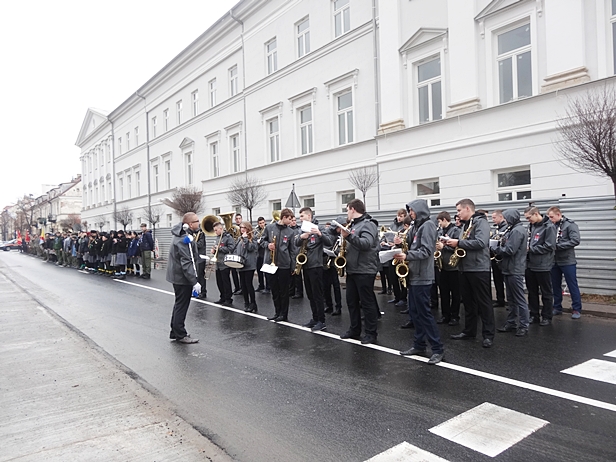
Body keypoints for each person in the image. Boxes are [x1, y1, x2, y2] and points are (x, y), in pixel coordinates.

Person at [396, 199, 444, 365]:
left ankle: (438, 349)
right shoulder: (416, 226)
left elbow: (426, 251)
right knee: (415, 313)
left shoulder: (428, 226)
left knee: (424, 313)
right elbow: (409, 244)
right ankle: (419, 344)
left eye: (412, 211)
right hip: (414, 275)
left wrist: (407, 256)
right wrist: (399, 243)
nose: (410, 213)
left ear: (420, 210)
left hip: (423, 276)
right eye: (409, 211)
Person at [447, 198, 495, 348]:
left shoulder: (481, 222)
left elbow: (481, 242)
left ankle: (488, 335)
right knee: (468, 303)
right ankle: (469, 331)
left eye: (459, 210)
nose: (458, 214)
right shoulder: (465, 225)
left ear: (468, 209)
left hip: (479, 268)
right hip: (465, 268)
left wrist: (458, 243)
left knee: (484, 303)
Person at [338, 199, 380, 345]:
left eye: (347, 210)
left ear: (353, 209)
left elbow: (366, 244)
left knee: (367, 303)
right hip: (353, 269)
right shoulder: (354, 225)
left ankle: (371, 333)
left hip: (364, 269)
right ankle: (354, 329)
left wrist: (348, 236)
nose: (347, 213)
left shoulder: (369, 224)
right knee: (351, 301)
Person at [296, 207, 333, 332]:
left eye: (302, 216)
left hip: (316, 265)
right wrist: (302, 237)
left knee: (317, 294)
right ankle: (314, 318)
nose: (300, 218)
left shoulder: (320, 227)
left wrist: (319, 234)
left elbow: (329, 242)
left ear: (308, 216)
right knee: (310, 294)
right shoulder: (301, 229)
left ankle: (321, 321)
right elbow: (295, 242)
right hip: (305, 265)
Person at [166, 212, 201, 344]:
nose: (199, 223)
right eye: (197, 221)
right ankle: (180, 334)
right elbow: (186, 262)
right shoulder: (183, 239)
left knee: (178, 304)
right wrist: (194, 281)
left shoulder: (180, 235)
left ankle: (175, 331)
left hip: (177, 276)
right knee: (182, 305)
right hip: (182, 278)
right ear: (190, 224)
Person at [494, 209, 530, 337]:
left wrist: (495, 248)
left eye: (506, 217)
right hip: (509, 268)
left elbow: (510, 250)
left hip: (514, 269)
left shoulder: (517, 231)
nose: (505, 220)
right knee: (511, 299)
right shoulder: (514, 229)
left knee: (519, 299)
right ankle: (511, 323)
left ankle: (524, 325)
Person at [260, 208, 296, 322]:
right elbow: (261, 241)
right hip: (271, 264)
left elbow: (292, 250)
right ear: (284, 217)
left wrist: (293, 266)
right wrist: (267, 245)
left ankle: (284, 314)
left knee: (284, 291)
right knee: (274, 289)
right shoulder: (269, 228)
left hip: (284, 264)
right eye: (289, 219)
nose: (291, 222)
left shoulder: (290, 232)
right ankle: (277, 312)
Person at [547, 206, 582, 319]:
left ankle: (576, 309)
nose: (550, 219)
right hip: (554, 260)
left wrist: (557, 247)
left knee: (572, 285)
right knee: (555, 285)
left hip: (567, 260)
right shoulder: (551, 226)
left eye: (552, 217)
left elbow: (575, 240)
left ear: (558, 214)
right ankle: (557, 307)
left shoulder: (570, 225)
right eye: (549, 217)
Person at [524, 206, 556, 325]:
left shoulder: (549, 227)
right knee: (532, 291)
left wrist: (530, 249)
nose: (528, 220)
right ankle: (534, 315)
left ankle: (547, 316)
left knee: (546, 292)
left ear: (536, 214)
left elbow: (549, 246)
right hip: (530, 264)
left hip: (543, 264)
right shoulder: (531, 226)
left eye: (529, 217)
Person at [435, 211, 461, 325]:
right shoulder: (440, 231)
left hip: (454, 267)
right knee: (444, 293)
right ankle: (445, 315)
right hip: (443, 267)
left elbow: (458, 248)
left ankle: (455, 316)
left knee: (455, 293)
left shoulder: (456, 231)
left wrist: (444, 247)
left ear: (445, 220)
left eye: (440, 221)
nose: (439, 224)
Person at [384, 209, 408, 307]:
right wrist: (388, 242)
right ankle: (397, 296)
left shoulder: (406, 226)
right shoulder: (393, 225)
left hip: (401, 255)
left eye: (401, 216)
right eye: (398, 216)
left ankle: (403, 297)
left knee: (401, 277)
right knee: (393, 277)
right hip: (392, 254)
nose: (399, 218)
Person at [235, 221, 258, 312]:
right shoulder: (239, 239)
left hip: (249, 265)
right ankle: (246, 303)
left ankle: (253, 303)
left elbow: (251, 248)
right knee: (243, 285)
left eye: (244, 227)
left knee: (249, 284)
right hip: (241, 264)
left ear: (248, 228)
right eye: (241, 227)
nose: (242, 229)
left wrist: (245, 239)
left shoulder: (253, 238)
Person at [212, 221, 235, 307]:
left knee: (226, 282)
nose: (215, 232)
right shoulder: (217, 237)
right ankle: (222, 297)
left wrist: (220, 248)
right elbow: (216, 248)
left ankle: (228, 298)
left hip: (225, 263)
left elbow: (231, 248)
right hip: (218, 263)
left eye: (216, 230)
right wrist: (214, 251)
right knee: (219, 282)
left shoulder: (228, 237)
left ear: (221, 229)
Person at [323, 219, 343, 316]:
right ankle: (328, 305)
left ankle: (338, 307)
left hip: (334, 262)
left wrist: (337, 251)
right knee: (326, 286)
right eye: (340, 228)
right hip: (325, 261)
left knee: (336, 286)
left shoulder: (340, 235)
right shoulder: (326, 232)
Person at [490, 210, 507, 307]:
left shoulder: (505, 229)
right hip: (495, 258)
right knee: (497, 280)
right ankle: (500, 299)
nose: (493, 220)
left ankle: (510, 301)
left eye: (494, 217)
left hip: (503, 258)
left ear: (501, 217)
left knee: (506, 281)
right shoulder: (496, 228)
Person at [289, 216, 304, 299]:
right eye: (292, 220)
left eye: (295, 220)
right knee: (291, 273)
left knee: (297, 274)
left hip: (297, 253)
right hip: (290, 254)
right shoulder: (288, 230)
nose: (294, 222)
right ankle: (291, 291)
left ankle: (299, 292)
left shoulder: (299, 229)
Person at [255, 217, 269, 293]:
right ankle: (261, 285)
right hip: (259, 252)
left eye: (263, 223)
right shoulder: (257, 230)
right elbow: (254, 239)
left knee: (266, 271)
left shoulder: (267, 229)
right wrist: (257, 241)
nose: (262, 225)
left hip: (265, 252)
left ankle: (268, 287)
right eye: (260, 223)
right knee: (259, 269)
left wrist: (262, 241)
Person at [194, 223, 208, 299]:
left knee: (200, 275)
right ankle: (197, 291)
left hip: (201, 256)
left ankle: (203, 292)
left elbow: (200, 244)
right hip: (196, 257)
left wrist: (192, 243)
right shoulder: (194, 233)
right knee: (196, 275)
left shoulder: (201, 233)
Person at [231, 213, 243, 294]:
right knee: (233, 271)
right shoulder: (232, 228)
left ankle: (242, 288)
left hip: (240, 252)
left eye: (239, 218)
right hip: (233, 251)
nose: (238, 220)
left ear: (241, 219)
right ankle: (236, 287)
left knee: (241, 272)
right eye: (237, 219)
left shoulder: (243, 228)